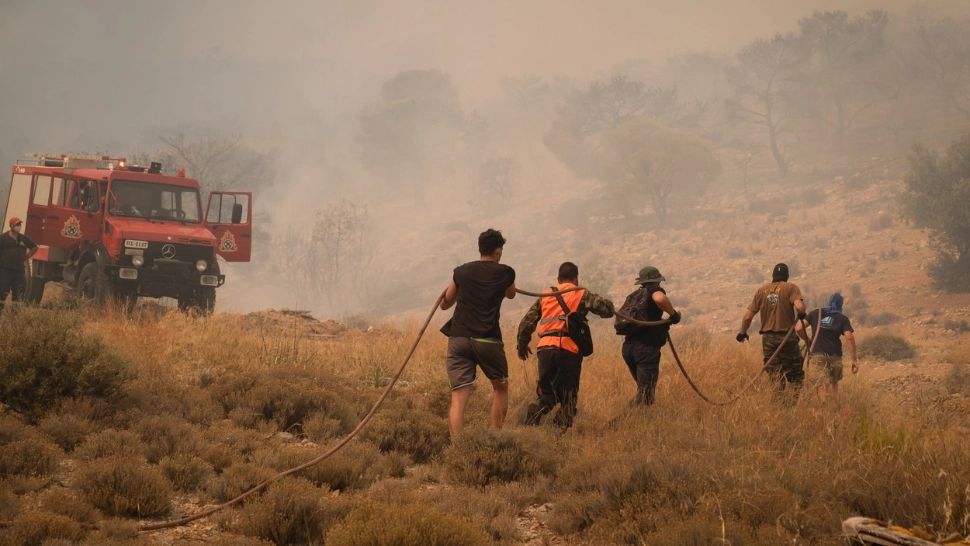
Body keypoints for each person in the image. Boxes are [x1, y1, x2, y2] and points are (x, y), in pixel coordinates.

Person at [515, 262, 615, 429]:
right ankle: (558, 435)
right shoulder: (581, 293)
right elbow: (607, 310)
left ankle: (536, 411)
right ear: (576, 279)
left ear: (558, 279)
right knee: (568, 397)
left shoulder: (546, 295)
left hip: (545, 349)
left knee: (547, 394)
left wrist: (522, 345)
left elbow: (526, 323)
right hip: (568, 350)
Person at [439, 228, 516, 438]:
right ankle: (495, 438)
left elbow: (445, 304)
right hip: (487, 339)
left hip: (459, 339)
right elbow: (511, 294)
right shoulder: (506, 272)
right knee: (500, 387)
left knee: (458, 395)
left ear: (480, 248)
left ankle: (457, 446)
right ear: (498, 251)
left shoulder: (461, 272)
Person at [737, 262, 807, 391]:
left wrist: (742, 332)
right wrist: (802, 313)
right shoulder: (791, 288)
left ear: (773, 276)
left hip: (768, 340)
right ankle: (792, 402)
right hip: (787, 338)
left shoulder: (761, 291)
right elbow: (799, 307)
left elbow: (747, 317)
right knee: (796, 376)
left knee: (775, 376)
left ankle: (778, 401)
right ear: (787, 276)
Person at [618, 266, 681, 405]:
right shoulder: (654, 290)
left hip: (628, 348)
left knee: (643, 390)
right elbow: (660, 299)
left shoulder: (634, 295)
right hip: (645, 348)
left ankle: (633, 415)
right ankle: (627, 416)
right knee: (646, 395)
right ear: (656, 280)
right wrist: (673, 315)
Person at [797, 292, 858, 400]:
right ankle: (833, 406)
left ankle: (823, 404)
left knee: (819, 383)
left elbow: (798, 328)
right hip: (835, 355)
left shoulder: (815, 313)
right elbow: (849, 337)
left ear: (828, 302)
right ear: (841, 305)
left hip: (817, 354)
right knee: (834, 383)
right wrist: (854, 360)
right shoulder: (842, 318)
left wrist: (808, 340)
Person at [0, 217, 38, 312]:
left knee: (19, 293)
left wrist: (27, 256)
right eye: (17, 224)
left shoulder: (23, 238)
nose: (19, 226)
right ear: (11, 226)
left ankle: (15, 315)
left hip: (19, 271)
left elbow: (34, 247)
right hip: (5, 271)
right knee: (2, 292)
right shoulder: (3, 238)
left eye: (19, 224)